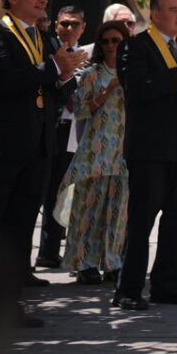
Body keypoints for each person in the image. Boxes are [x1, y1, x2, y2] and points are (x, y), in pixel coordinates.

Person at [0, 0, 84, 327]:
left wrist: (64, 76)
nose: (43, 0)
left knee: (20, 230)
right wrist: (53, 69)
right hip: (3, 148)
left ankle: (9, 304)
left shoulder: (44, 37)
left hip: (38, 147)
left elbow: (58, 90)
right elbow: (4, 81)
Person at [115, 0, 177, 310]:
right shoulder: (135, 47)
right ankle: (129, 288)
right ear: (154, 14)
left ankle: (166, 284)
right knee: (141, 221)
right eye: (172, 9)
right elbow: (138, 90)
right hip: (150, 150)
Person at [58, 21, 128, 285]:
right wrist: (109, 89)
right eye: (107, 41)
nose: (112, 46)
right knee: (88, 208)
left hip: (123, 150)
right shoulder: (91, 74)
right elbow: (81, 110)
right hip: (95, 149)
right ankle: (84, 263)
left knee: (117, 211)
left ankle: (112, 262)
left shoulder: (134, 73)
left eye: (117, 40)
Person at [35, 6, 85, 270]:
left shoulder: (87, 58)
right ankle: (44, 251)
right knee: (44, 189)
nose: (69, 29)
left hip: (76, 133)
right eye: (64, 24)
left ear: (83, 28)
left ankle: (54, 250)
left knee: (64, 192)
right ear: (56, 25)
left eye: (74, 24)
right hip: (53, 127)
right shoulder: (48, 50)